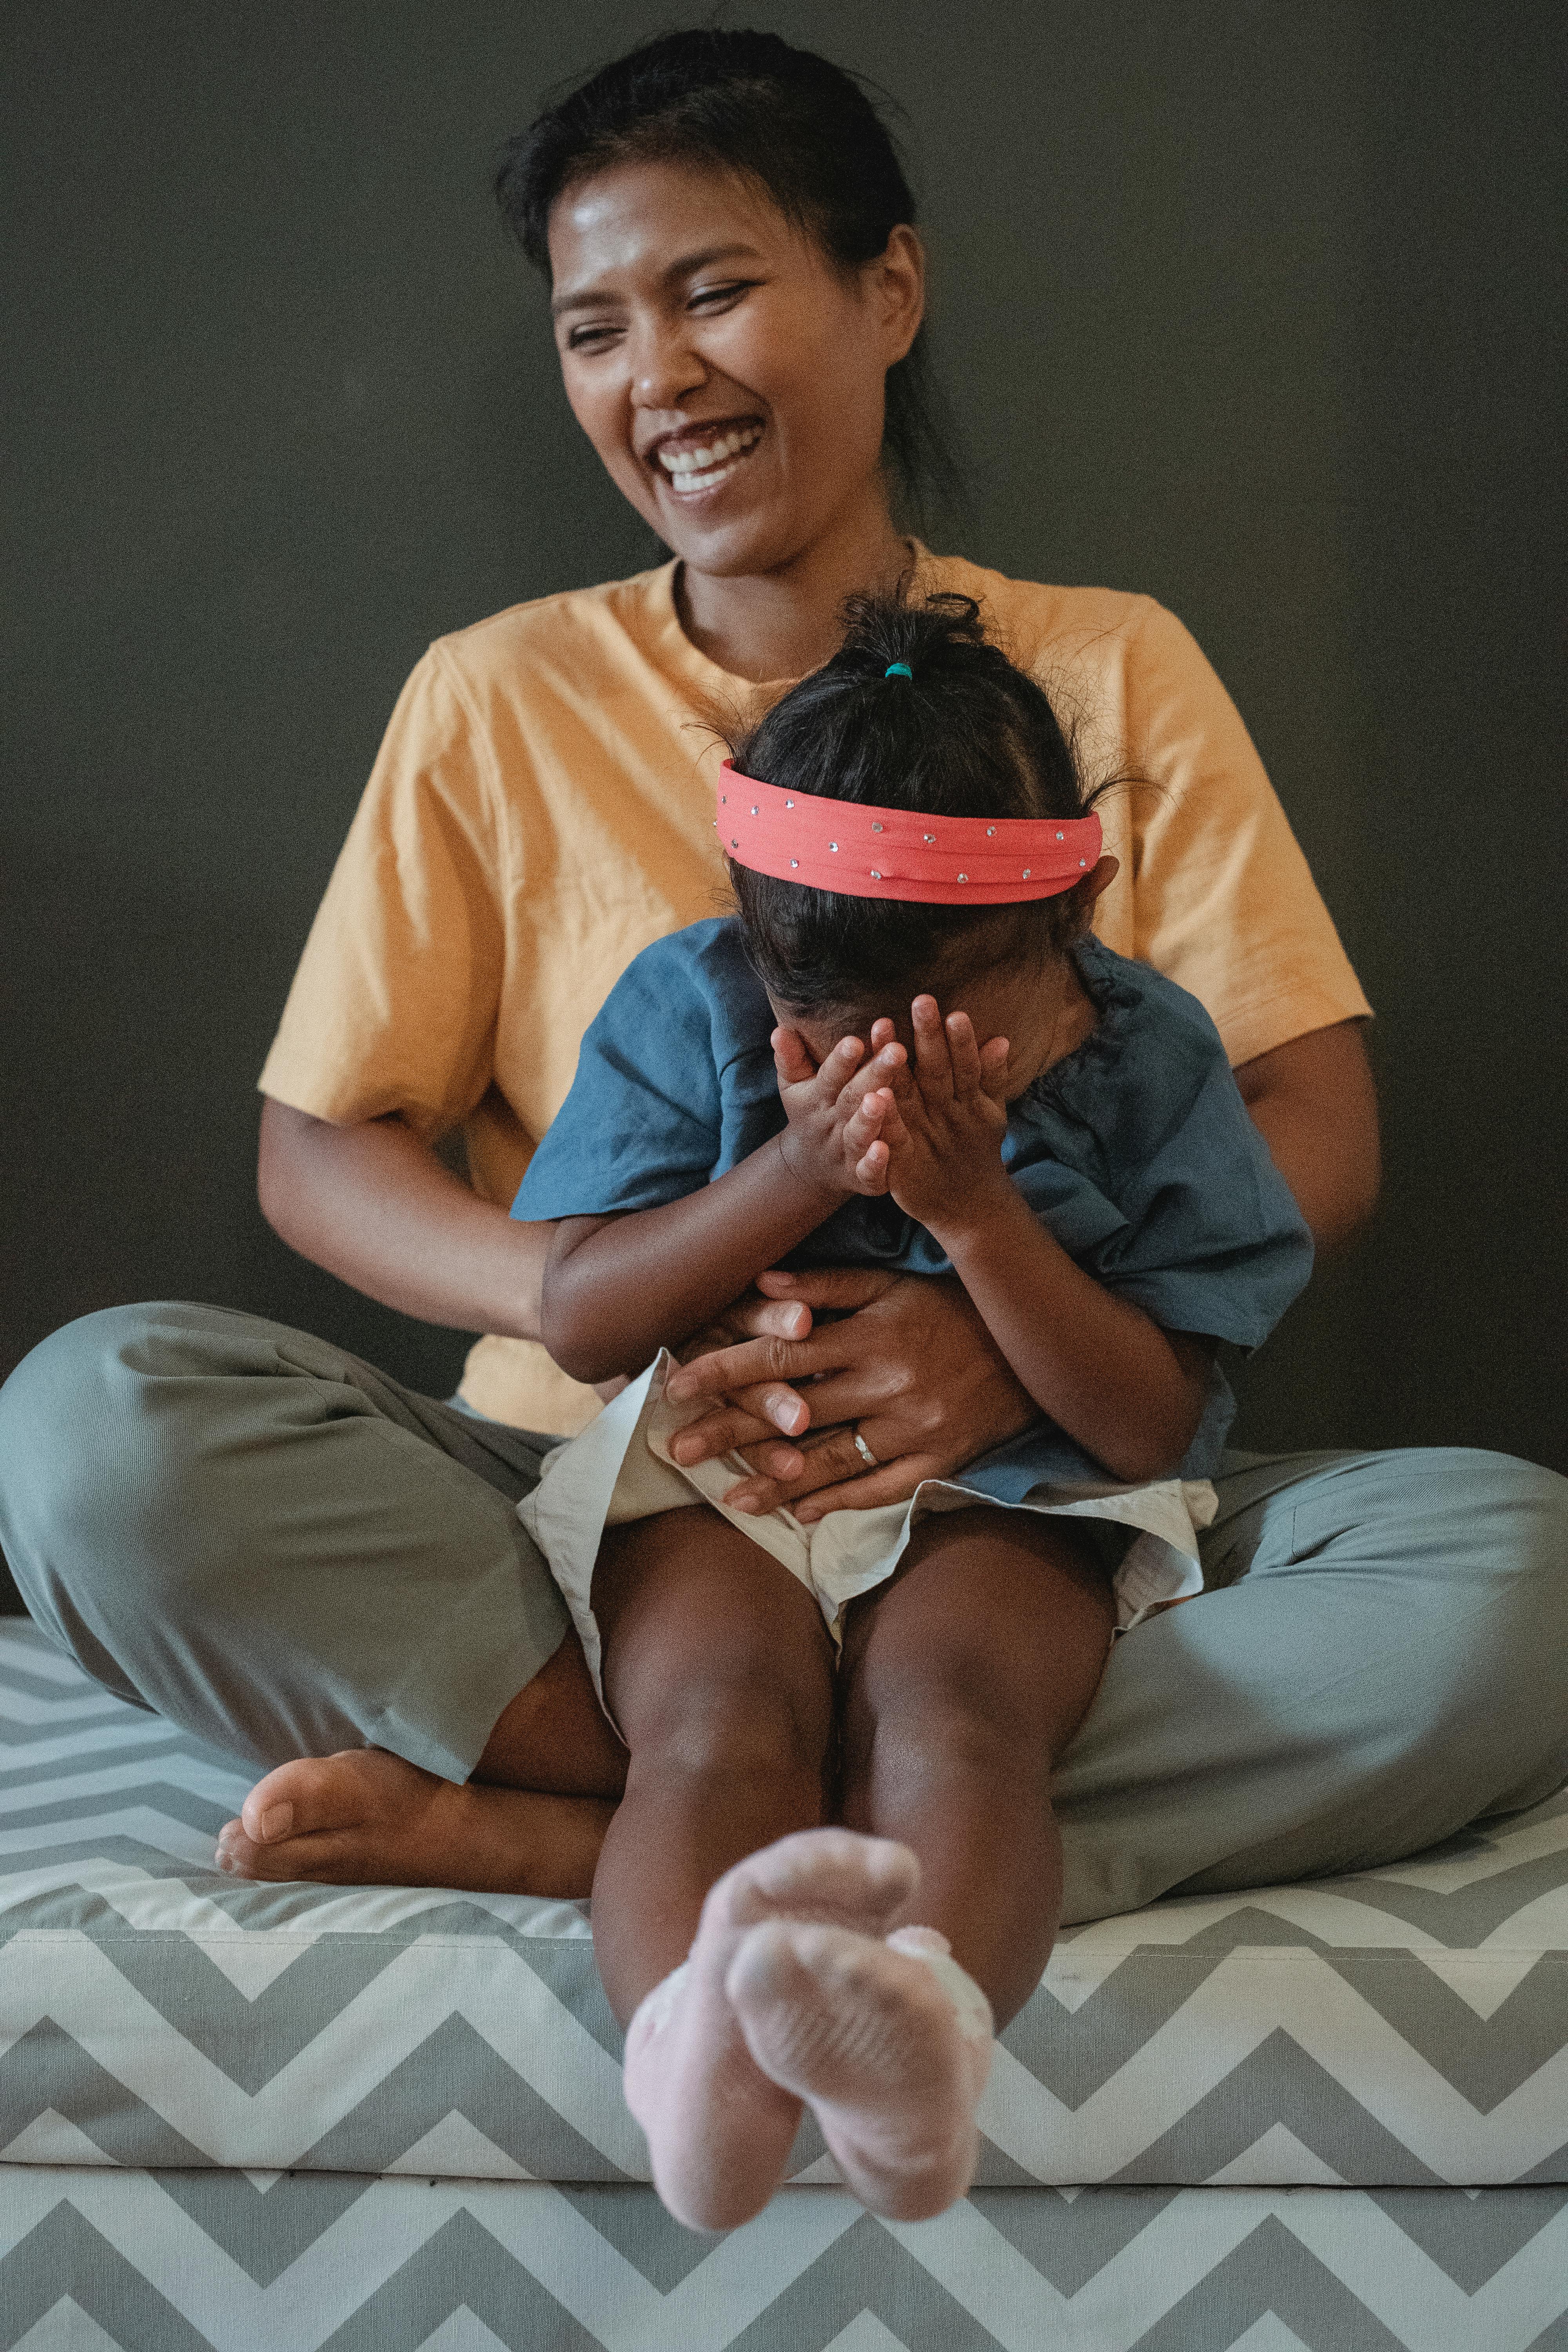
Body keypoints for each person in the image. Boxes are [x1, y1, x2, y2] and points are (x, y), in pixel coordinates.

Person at [0, 31, 1563, 1929]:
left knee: (1519, 1577)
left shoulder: (1110, 672)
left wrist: (999, 1335)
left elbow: (1307, 1115)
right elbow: (320, 1149)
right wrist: (642, 1323)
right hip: (593, 1497)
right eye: (594, 329)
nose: (655, 374)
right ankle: (837, 1803)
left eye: (713, 290)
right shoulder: (492, 693)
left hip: (1024, 1515)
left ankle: (622, 1825)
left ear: (885, 289)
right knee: (95, 1431)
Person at [508, 588, 1314, 2227]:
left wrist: (977, 1216)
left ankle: (923, 2030)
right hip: (735, 1480)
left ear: (1069, 913)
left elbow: (1147, 1425)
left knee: (956, 1722)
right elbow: (584, 1319)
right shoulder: (692, 1002)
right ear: (751, 930)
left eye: (949, 1034)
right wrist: (791, 1166)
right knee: (714, 1725)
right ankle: (691, 2055)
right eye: (827, 1031)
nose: (880, 1076)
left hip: (1014, 1496)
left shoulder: (1147, 1056)